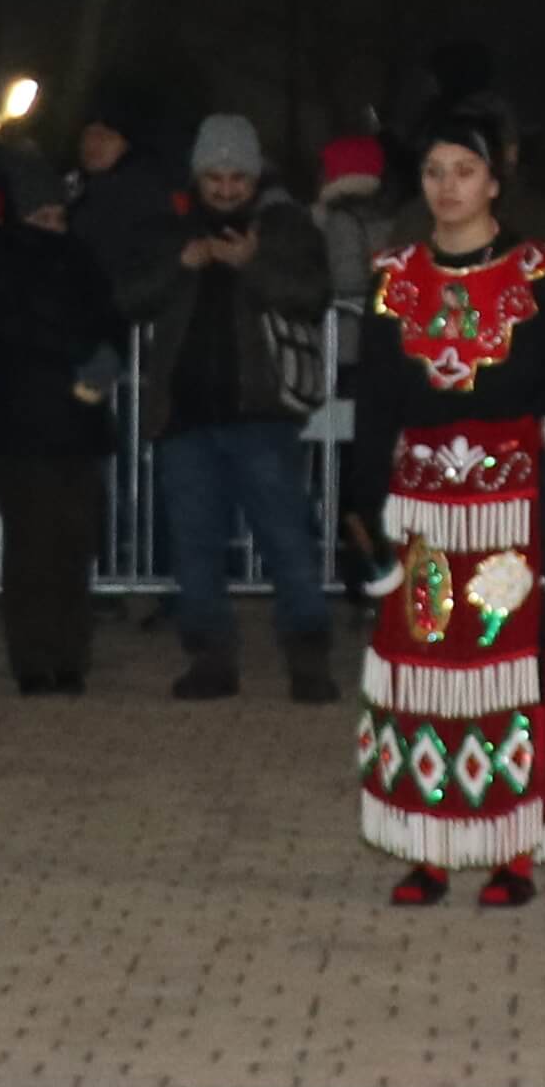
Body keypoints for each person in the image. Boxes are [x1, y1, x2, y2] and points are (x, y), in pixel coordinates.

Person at [347, 118, 545, 907]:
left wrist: (529, 445)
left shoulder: (540, 274)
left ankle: (510, 850)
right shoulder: (393, 278)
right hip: (420, 504)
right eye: (434, 171)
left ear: (494, 182)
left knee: (504, 667)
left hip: (507, 509)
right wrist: (360, 506)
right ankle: (427, 847)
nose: (448, 186)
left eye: (464, 170)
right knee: (419, 670)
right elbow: (373, 402)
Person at [140, 116, 341, 703]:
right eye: (215, 177)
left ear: (255, 177)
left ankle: (308, 659)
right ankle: (209, 659)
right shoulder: (172, 229)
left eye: (237, 178)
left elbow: (314, 296)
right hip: (185, 418)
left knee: (287, 541)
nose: (226, 189)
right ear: (197, 176)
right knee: (194, 548)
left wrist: (252, 263)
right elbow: (128, 297)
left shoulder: (285, 226)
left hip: (262, 415)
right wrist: (180, 266)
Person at [0, 171, 126, 691]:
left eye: (58, 216)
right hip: (25, 425)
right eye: (42, 216)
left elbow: (112, 318)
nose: (52, 225)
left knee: (74, 544)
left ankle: (69, 657)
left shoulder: (81, 258)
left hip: (75, 422)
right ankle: (35, 660)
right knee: (33, 546)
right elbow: (10, 331)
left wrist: (105, 359)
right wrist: (84, 352)